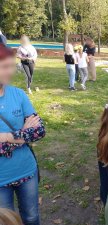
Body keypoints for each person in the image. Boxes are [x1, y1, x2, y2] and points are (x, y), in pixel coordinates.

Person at [0, 44, 46, 225]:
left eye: (11, 65)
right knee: (7, 222)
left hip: (27, 172)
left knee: (32, 218)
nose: (10, 71)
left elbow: (39, 130)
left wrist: (6, 137)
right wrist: (22, 134)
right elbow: (29, 133)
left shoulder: (18, 95)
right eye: (4, 66)